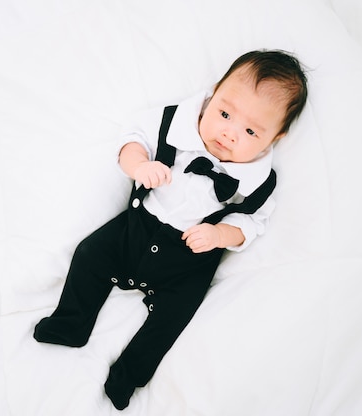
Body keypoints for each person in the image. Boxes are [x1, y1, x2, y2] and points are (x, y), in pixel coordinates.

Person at [33, 49, 308, 410]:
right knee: (90, 254)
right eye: (224, 113)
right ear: (212, 93)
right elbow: (132, 140)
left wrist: (221, 235)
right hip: (135, 227)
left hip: (188, 260)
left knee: (175, 316)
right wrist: (139, 166)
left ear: (276, 138)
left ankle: (129, 375)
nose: (229, 133)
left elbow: (252, 221)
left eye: (251, 131)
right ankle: (70, 323)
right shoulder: (171, 124)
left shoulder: (258, 181)